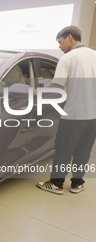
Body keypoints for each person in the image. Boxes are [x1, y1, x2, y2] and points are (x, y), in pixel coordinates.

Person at [37, 26, 96, 194]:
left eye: (60, 42)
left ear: (70, 37)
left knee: (64, 150)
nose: (59, 47)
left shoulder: (69, 58)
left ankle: (56, 183)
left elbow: (57, 85)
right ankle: (77, 183)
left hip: (73, 114)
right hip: (93, 116)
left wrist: (34, 92)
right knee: (84, 150)